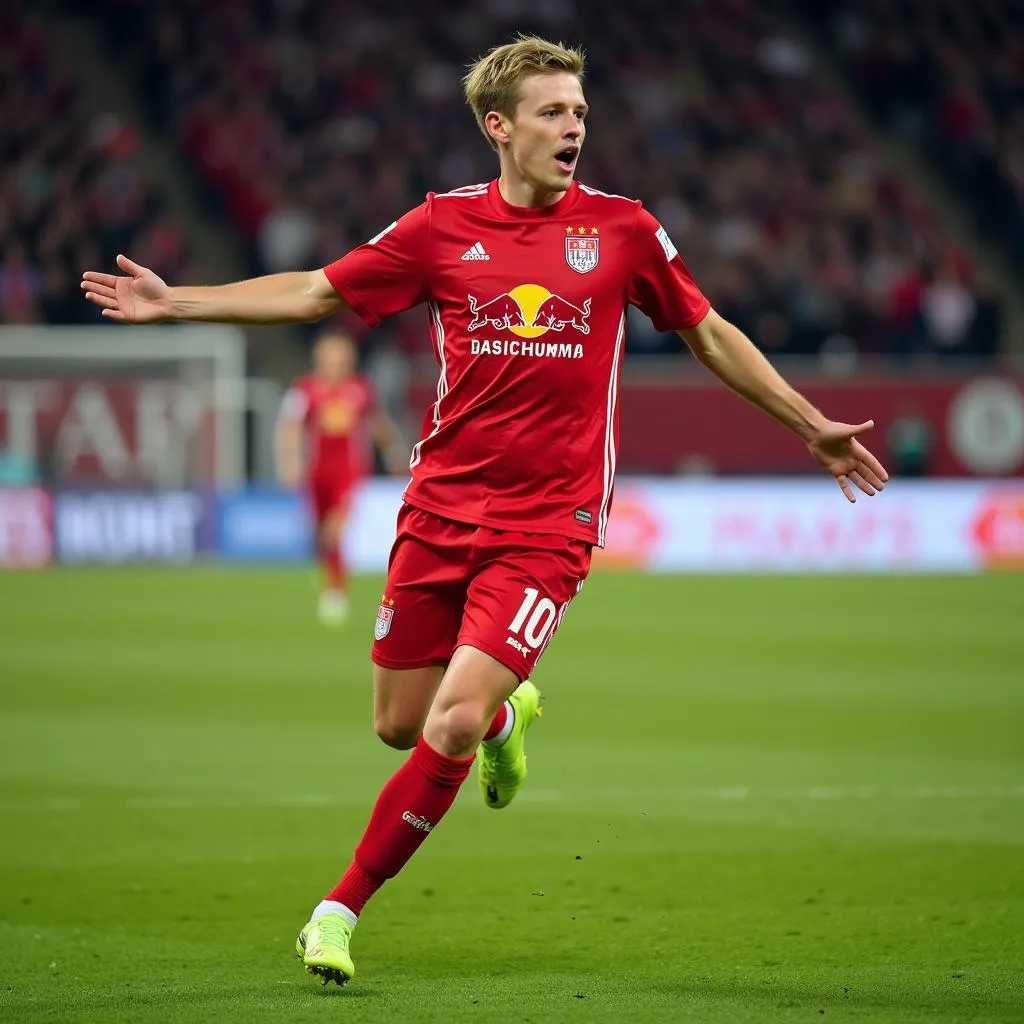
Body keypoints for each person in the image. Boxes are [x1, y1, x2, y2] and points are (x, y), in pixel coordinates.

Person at [81, 35, 889, 987]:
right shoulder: (437, 228)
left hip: (551, 525)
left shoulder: (624, 229)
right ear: (498, 128)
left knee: (451, 721)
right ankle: (511, 723)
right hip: (438, 510)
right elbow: (313, 291)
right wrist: (179, 305)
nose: (574, 126)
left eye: (581, 111)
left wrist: (808, 425)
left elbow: (706, 331)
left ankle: (335, 911)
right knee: (398, 723)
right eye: (554, 112)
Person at [277, 330, 405, 624]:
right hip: (316, 472)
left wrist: (395, 454)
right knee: (320, 531)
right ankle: (328, 574)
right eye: (330, 355)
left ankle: (336, 592)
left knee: (336, 529)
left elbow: (378, 425)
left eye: (340, 355)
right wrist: (290, 461)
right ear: (319, 358)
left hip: (350, 473)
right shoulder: (305, 390)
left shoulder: (361, 390)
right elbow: (291, 427)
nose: (335, 361)